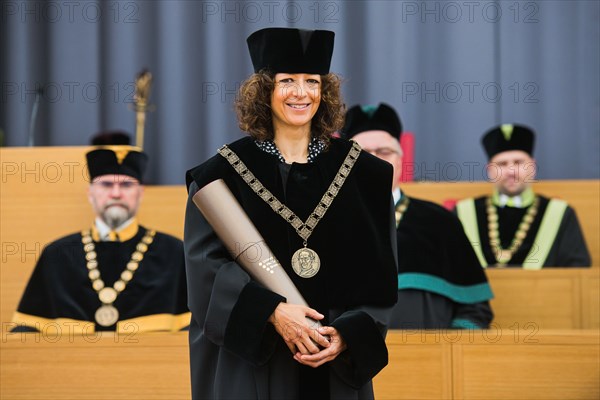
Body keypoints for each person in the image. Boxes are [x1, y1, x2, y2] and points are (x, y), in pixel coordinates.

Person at [184, 28, 398, 399]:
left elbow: (379, 273)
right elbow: (205, 269)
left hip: (333, 364)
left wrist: (347, 334)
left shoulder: (365, 175)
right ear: (263, 90)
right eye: (287, 81)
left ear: (324, 90)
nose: (301, 93)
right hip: (256, 366)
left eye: (311, 82)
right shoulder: (220, 176)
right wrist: (271, 312)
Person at [343, 103, 494, 329]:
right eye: (362, 153)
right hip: (349, 361)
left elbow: (475, 310)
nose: (374, 160)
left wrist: (447, 352)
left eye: (384, 152)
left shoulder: (440, 221)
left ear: (400, 161)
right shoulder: (325, 221)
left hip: (430, 360)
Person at [11, 145, 190, 333]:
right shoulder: (56, 254)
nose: (116, 193)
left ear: (141, 193)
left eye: (126, 185)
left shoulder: (173, 252)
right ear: (90, 193)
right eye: (106, 184)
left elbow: (192, 334)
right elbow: (26, 332)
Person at [455, 124, 591, 268]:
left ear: (532, 166)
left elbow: (577, 272)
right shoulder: (463, 213)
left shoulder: (561, 214)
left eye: (519, 163)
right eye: (502, 164)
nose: (511, 171)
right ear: (490, 170)